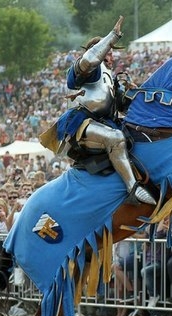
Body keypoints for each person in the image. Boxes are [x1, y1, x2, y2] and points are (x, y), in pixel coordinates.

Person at [39, 16, 155, 205]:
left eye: (111, 53)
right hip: (82, 123)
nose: (111, 56)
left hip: (105, 123)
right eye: (108, 52)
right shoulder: (91, 69)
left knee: (136, 135)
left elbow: (124, 108)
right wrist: (112, 36)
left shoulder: (111, 78)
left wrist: (132, 92)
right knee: (115, 138)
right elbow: (89, 60)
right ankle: (132, 188)